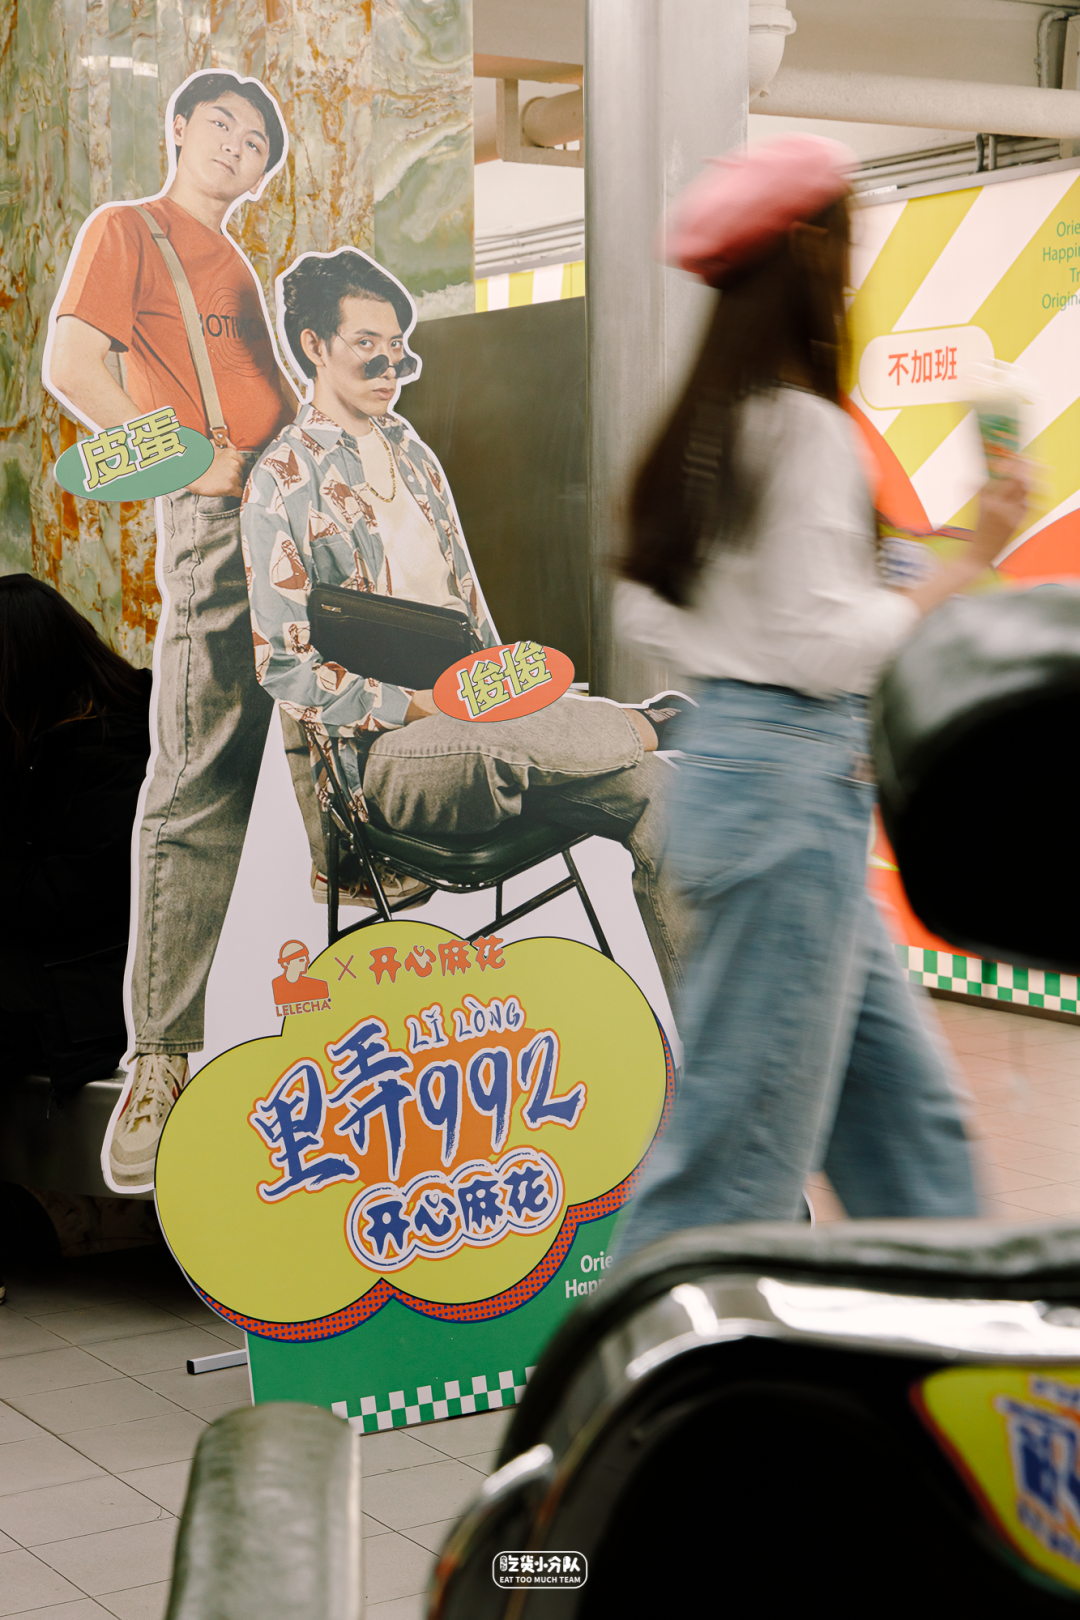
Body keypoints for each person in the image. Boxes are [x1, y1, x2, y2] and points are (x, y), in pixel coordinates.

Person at [612, 135, 1029, 1254]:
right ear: (807, 246)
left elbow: (649, 612)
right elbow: (826, 646)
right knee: (734, 1166)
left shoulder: (708, 428)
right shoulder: (803, 429)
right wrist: (968, 562)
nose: (856, 263)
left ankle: (952, 1340)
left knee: (913, 1129)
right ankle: (633, 1365)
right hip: (792, 796)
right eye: (850, 237)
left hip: (749, 779)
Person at [241, 248, 690, 1000]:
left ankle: (716, 1054)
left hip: (484, 721)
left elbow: (471, 613)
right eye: (366, 344)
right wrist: (415, 706)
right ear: (314, 345)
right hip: (381, 763)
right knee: (491, 743)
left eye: (397, 348)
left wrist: (511, 690)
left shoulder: (413, 455)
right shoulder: (281, 481)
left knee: (664, 793)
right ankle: (645, 722)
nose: (388, 366)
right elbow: (283, 669)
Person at [44, 70, 298, 1188]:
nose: (239, 148)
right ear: (180, 127)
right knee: (198, 777)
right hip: (218, 522)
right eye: (224, 127)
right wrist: (191, 465)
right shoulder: (129, 228)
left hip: (285, 524)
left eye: (258, 142)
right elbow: (71, 362)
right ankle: (161, 1062)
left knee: (302, 776)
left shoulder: (234, 262)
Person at [0, 575, 151, 1107]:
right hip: (50, 985)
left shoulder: (113, 752)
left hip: (84, 1005)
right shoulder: (50, 739)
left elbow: (54, 904)